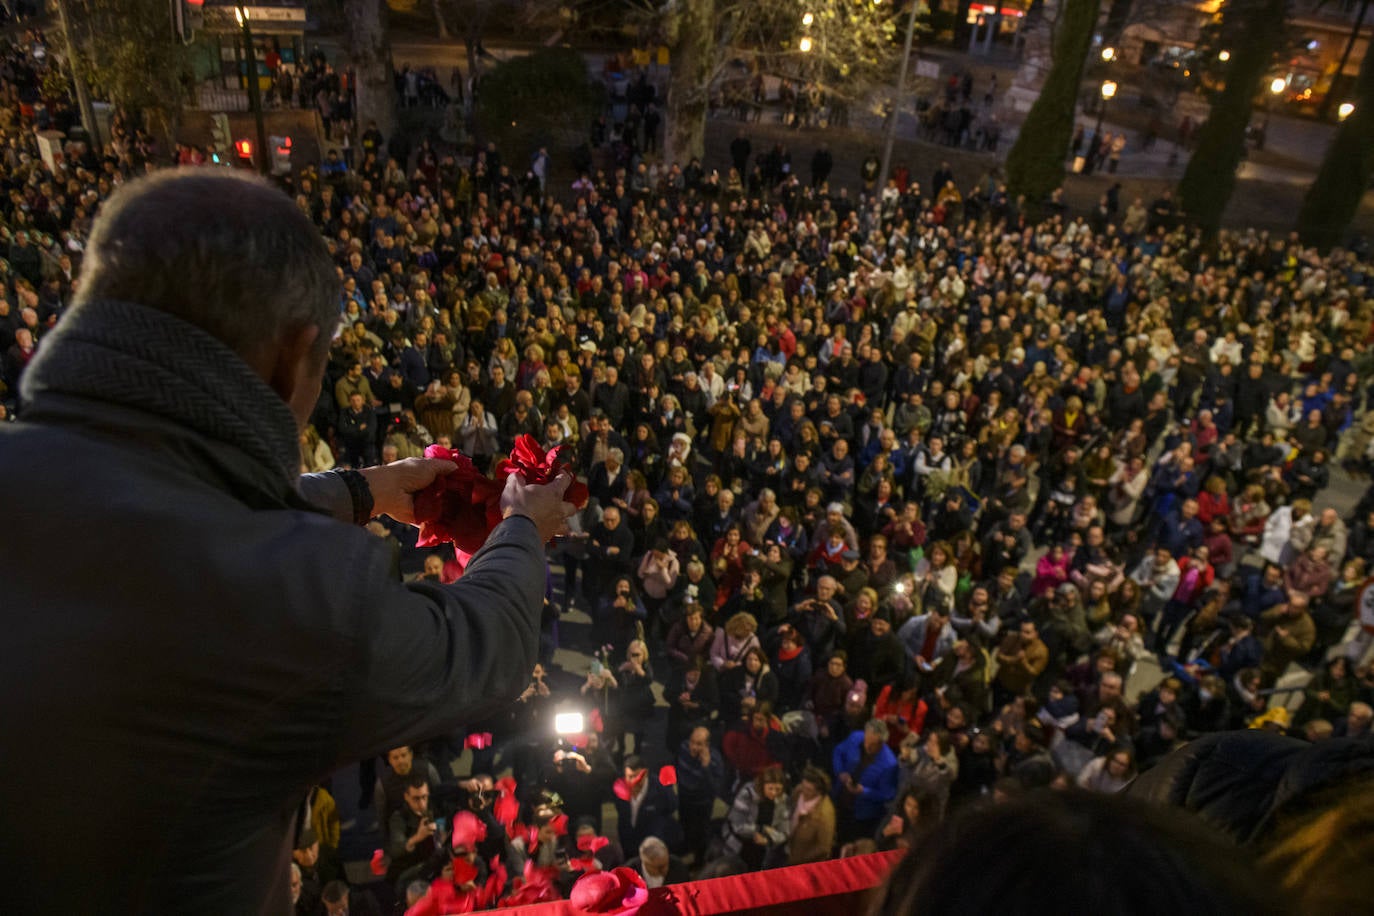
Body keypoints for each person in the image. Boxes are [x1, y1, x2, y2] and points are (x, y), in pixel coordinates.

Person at [0, 172, 577, 914]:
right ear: (291, 357)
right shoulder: (297, 596)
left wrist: (359, 489)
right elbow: (483, 648)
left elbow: (171, 506)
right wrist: (524, 524)